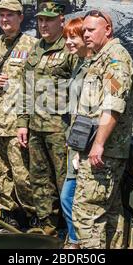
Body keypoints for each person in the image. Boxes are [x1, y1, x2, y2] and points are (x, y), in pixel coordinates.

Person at [72, 10, 133, 249]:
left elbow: (113, 105)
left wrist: (98, 144)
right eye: (84, 30)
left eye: (90, 30)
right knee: (110, 213)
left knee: (86, 213)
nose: (85, 34)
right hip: (98, 150)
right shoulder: (100, 57)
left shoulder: (115, 59)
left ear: (107, 29)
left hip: (102, 153)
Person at [16, 2, 79, 236]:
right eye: (40, 19)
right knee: (40, 180)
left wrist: (74, 131)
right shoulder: (36, 49)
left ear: (61, 20)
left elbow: (79, 91)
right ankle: (47, 226)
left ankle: (73, 231)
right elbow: (25, 88)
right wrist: (22, 123)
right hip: (35, 127)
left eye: (49, 20)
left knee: (65, 181)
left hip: (60, 129)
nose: (43, 24)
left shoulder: (70, 49)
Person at [0, 0, 38, 228]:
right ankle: (9, 215)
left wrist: (28, 122)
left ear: (20, 17)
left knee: (23, 176)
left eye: (10, 15)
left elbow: (37, 86)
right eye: (1, 15)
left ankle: (33, 214)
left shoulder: (33, 45)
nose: (5, 20)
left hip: (18, 125)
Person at [60, 17, 90, 249]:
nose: (69, 42)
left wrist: (79, 149)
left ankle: (76, 241)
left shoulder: (92, 67)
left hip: (85, 144)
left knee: (70, 196)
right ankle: (74, 239)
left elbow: (92, 113)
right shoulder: (79, 63)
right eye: (67, 37)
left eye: (74, 37)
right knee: (70, 196)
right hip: (76, 140)